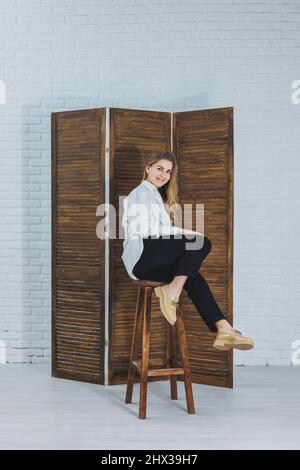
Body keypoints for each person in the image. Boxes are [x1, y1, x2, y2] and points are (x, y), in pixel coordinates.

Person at [121, 151, 254, 351]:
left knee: (192, 277)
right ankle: (172, 292)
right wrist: (186, 231)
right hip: (142, 256)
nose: (163, 175)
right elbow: (148, 231)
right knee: (201, 242)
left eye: (168, 171)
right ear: (148, 168)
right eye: (159, 168)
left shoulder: (155, 195)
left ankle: (224, 329)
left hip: (148, 263)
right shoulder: (141, 194)